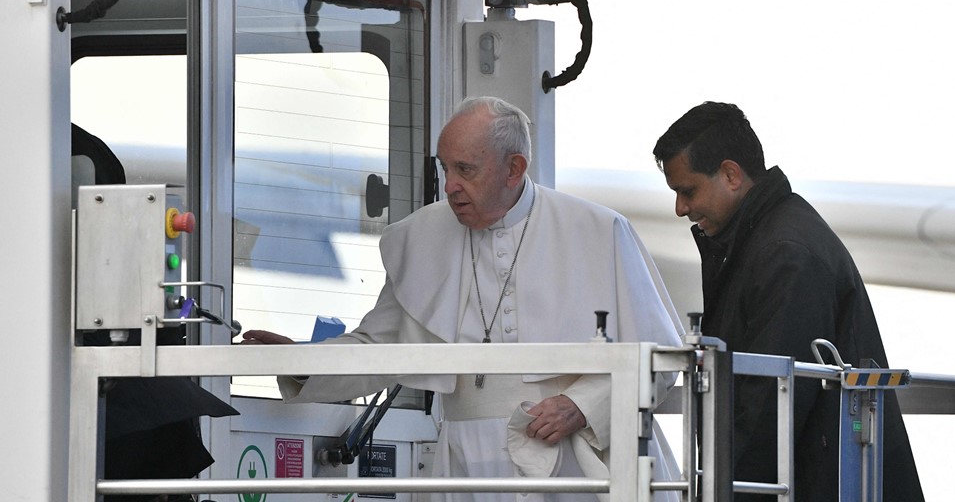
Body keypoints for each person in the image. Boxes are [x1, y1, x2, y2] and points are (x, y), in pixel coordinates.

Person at [243, 96, 686, 501]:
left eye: (465, 170)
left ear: (514, 168)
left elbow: (660, 357)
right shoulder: (421, 236)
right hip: (464, 462)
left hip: (573, 461)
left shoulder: (597, 230)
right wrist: (305, 363)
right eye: (445, 169)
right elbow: (380, 349)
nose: (450, 185)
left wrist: (581, 406)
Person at [651, 101, 924, 502]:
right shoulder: (769, 240)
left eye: (687, 191)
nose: (680, 209)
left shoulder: (785, 252)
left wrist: (727, 493)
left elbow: (769, 409)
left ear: (730, 174)